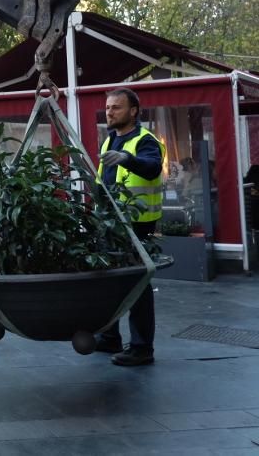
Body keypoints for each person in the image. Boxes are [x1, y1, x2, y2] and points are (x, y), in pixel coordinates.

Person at [96, 87, 164, 366]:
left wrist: (128, 159)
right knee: (109, 282)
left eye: (117, 107)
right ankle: (110, 336)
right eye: (108, 107)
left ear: (133, 111)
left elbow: (152, 167)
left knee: (137, 285)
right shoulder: (110, 140)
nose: (110, 112)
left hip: (137, 225)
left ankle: (141, 348)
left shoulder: (144, 140)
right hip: (110, 222)